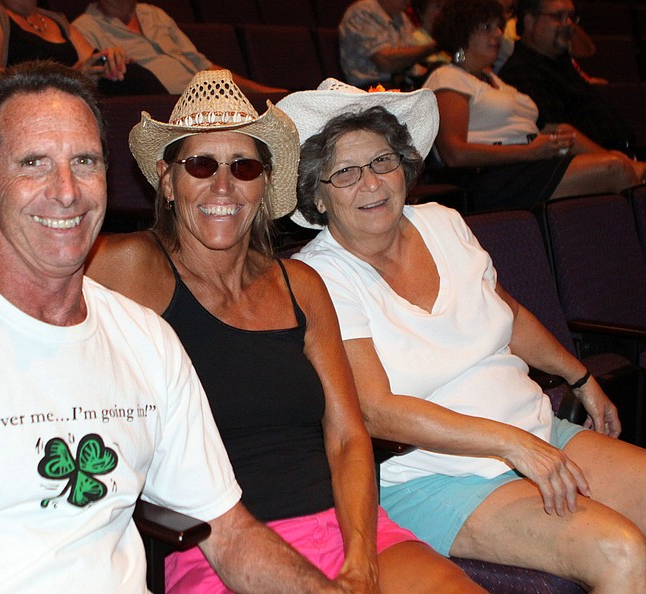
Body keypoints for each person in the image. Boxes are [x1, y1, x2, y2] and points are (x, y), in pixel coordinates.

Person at [0, 69, 485, 593]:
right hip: (212, 543)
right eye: (200, 165)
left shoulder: (277, 292)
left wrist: (360, 562)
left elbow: (342, 440)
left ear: (264, 183)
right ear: (167, 180)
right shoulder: (132, 270)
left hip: (324, 530)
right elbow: (20, 265)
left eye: (243, 166)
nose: (223, 185)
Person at [276, 77, 646, 591]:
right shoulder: (319, 275)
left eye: (382, 161)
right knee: (621, 553)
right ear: (316, 195)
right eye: (345, 172)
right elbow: (376, 410)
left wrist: (580, 378)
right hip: (431, 475)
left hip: (535, 431)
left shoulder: (444, 222)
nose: (372, 183)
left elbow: (508, 313)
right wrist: (510, 444)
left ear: (404, 167)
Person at [423, 0, 645, 212]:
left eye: (499, 27)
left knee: (617, 161)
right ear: (461, 33)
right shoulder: (448, 77)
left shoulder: (494, 80)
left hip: (530, 164)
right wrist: (530, 152)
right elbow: (455, 153)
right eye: (487, 27)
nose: (498, 34)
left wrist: (547, 142)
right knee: (615, 169)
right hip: (495, 177)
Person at [498, 0, 634, 153]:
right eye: (558, 16)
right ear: (529, 21)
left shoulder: (559, 62)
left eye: (571, 17)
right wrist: (619, 162)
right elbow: (558, 137)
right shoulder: (522, 72)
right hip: (597, 162)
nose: (568, 24)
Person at [0, 0, 166, 95]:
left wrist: (111, 60)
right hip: (22, 109)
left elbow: (89, 63)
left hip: (71, 101)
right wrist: (66, 76)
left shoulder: (57, 21)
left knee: (132, 77)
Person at [71, 0, 284, 95]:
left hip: (214, 97)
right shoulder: (84, 27)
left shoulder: (155, 13)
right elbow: (89, 82)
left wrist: (264, 92)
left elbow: (206, 67)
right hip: (169, 111)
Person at [339, 0, 439, 90]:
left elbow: (412, 56)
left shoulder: (401, 16)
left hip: (402, 86)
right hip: (374, 91)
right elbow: (386, 63)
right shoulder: (363, 12)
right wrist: (435, 47)